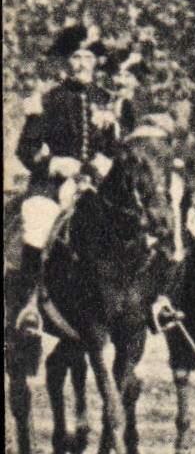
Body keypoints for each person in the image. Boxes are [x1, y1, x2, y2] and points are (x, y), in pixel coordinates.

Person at [12, 24, 121, 336]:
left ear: (96, 62)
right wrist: (54, 164)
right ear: (66, 61)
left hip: (96, 184)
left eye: (88, 57)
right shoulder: (49, 100)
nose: (82, 63)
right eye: (76, 56)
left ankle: (148, 300)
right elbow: (26, 148)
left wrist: (99, 167)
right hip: (53, 185)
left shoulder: (106, 100)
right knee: (37, 222)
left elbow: (113, 149)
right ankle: (30, 305)